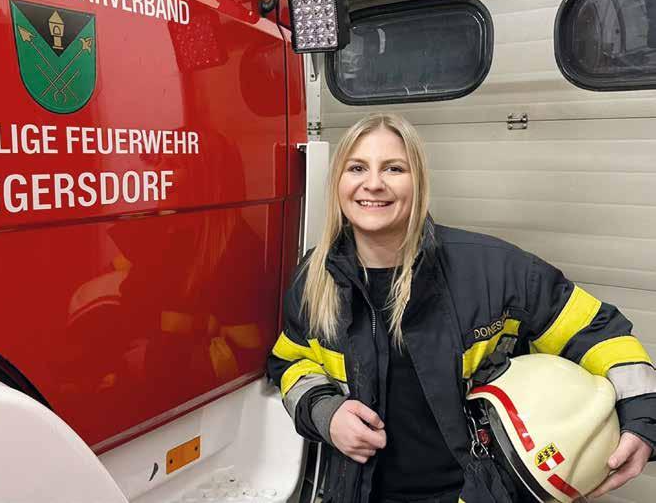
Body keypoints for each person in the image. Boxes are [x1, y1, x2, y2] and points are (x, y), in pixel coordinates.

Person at [266, 113, 655, 503]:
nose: (373, 183)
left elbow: (599, 331)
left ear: (418, 181)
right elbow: (291, 363)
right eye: (357, 168)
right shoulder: (314, 279)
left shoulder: (491, 269)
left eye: (394, 168)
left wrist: (642, 419)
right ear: (337, 182)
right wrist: (327, 414)